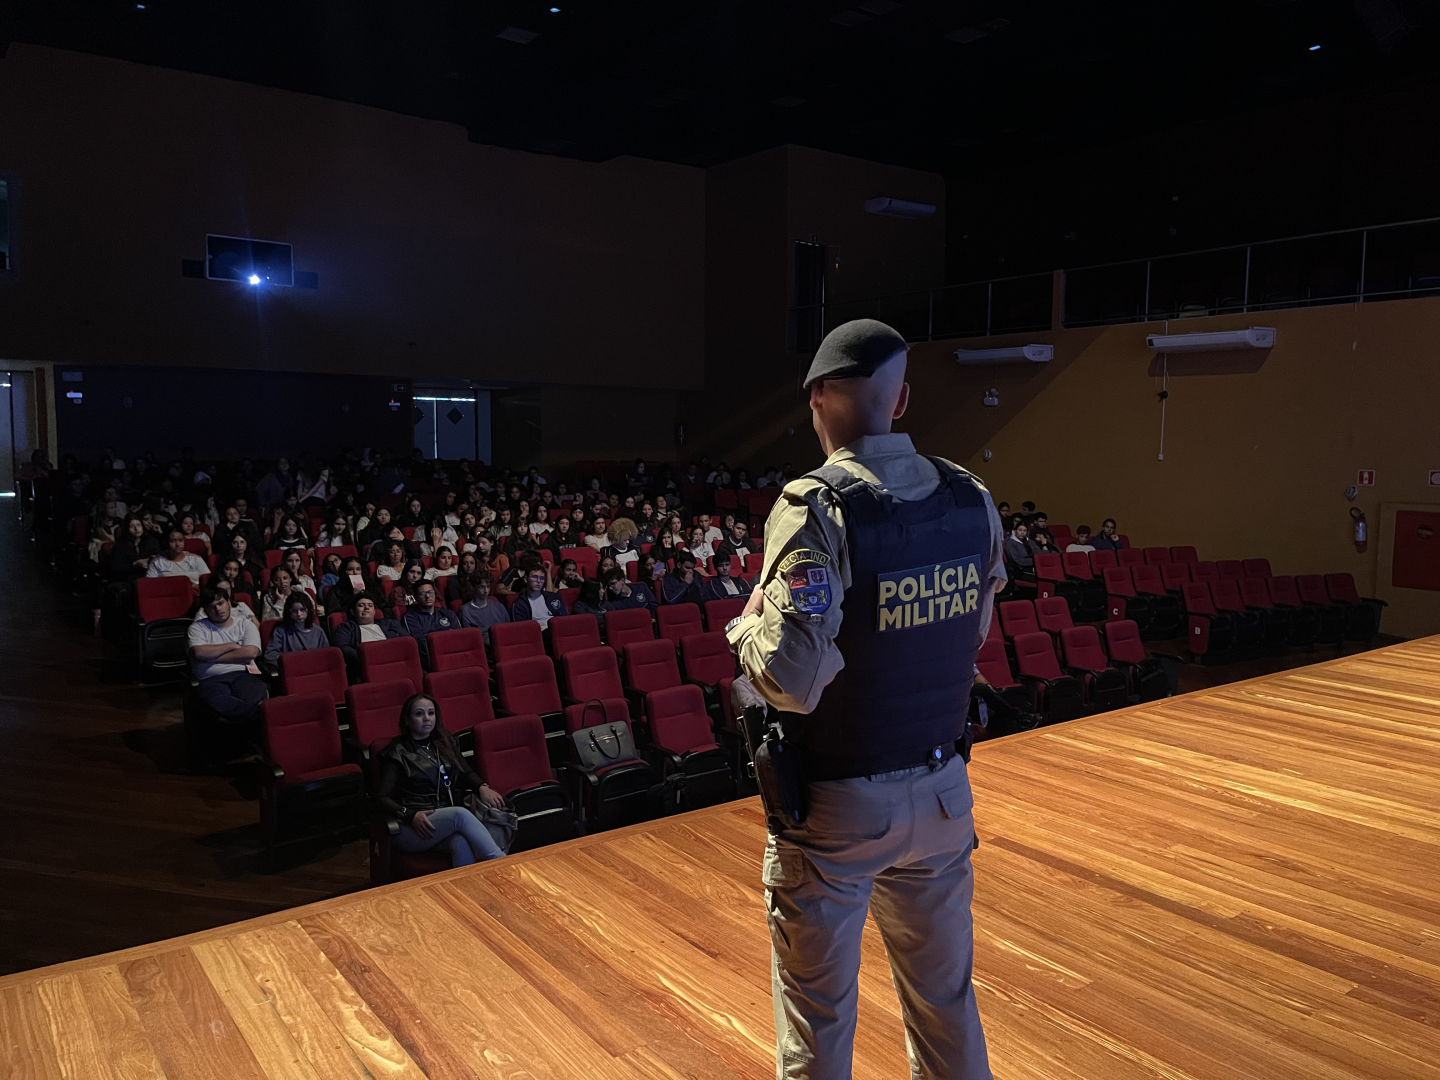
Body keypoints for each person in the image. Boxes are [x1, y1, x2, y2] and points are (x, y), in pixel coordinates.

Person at [726, 319, 1001, 1080]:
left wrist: (744, 628)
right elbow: (969, 634)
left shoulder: (818, 505)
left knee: (819, 1025)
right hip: (945, 794)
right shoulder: (969, 498)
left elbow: (792, 677)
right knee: (947, 1003)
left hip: (839, 807)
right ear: (902, 397)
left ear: (817, 397)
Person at [376, 694, 509, 867]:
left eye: (431, 713)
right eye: (419, 714)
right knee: (459, 814)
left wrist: (482, 787)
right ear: (407, 720)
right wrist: (410, 815)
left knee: (460, 842)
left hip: (442, 822)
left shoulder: (444, 742)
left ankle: (465, 891)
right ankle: (502, 865)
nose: (426, 718)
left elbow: (465, 773)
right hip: (411, 827)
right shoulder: (397, 752)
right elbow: (381, 799)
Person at [188, 586, 269, 729]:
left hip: (243, 674)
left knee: (255, 697)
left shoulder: (245, 624)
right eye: (211, 607)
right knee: (219, 702)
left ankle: (241, 724)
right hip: (211, 679)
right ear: (205, 611)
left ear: (229, 603)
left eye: (220, 603)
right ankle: (257, 719)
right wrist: (231, 646)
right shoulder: (197, 628)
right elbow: (199, 653)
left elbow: (250, 653)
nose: (218, 609)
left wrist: (211, 656)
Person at [333, 595, 404, 678]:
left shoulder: (389, 624)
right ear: (353, 611)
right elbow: (342, 647)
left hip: (393, 662)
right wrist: (366, 657)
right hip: (364, 667)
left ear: (374, 611)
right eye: (361, 605)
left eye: (370, 605)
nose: (366, 608)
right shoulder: (346, 628)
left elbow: (407, 641)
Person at [263, 592, 330, 668]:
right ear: (289, 612)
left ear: (308, 610)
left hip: (314, 670)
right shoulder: (280, 631)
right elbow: (270, 656)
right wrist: (294, 662)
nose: (299, 614)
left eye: (302, 610)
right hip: (292, 671)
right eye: (294, 611)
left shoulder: (318, 631)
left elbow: (326, 655)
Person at [402, 581, 459, 667]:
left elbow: (459, 635)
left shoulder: (447, 613)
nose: (428, 596)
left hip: (454, 653)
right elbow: (420, 643)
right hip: (430, 659)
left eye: (430, 592)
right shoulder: (410, 617)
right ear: (415, 597)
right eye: (422, 593)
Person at [459, 572, 510, 644]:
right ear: (474, 587)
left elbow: (508, 628)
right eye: (481, 587)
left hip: (503, 642)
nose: (486, 590)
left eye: (488, 586)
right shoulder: (466, 611)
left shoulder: (499, 606)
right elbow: (470, 638)